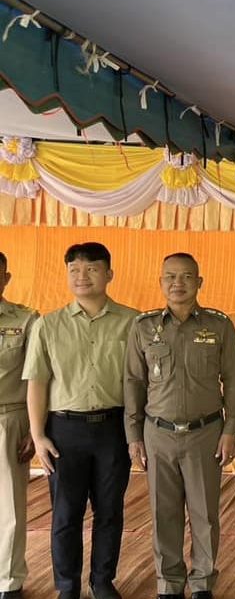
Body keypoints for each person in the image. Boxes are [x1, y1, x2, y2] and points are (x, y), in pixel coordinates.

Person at [124, 253, 235, 599]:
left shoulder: (218, 325)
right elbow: (133, 382)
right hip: (157, 433)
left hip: (205, 433)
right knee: (163, 513)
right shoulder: (143, 327)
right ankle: (169, 583)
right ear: (161, 282)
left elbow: (233, 378)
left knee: (205, 514)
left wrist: (231, 429)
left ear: (199, 282)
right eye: (171, 277)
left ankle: (203, 582)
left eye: (187, 277)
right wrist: (133, 436)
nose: (178, 283)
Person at [23, 242, 138, 599]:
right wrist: (38, 435)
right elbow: (37, 382)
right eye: (74, 269)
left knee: (110, 511)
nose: (82, 276)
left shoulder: (133, 322)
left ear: (109, 274)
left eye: (91, 268)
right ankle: (67, 586)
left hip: (113, 429)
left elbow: (140, 381)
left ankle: (102, 582)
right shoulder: (48, 324)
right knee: (65, 514)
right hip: (64, 431)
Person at [0, 253, 38, 599]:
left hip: (9, 419)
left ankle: (8, 582)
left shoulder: (26, 320)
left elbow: (38, 378)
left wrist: (34, 430)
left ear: (6, 278)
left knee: (9, 506)